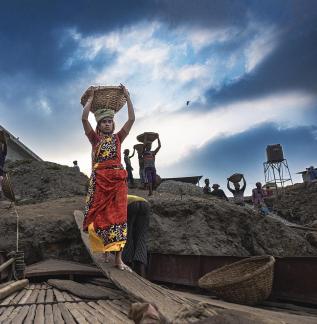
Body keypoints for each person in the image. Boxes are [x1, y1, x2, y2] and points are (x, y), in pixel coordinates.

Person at [82, 84, 135, 271]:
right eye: (103, 121)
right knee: (102, 217)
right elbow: (84, 119)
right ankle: (105, 249)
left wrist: (127, 96)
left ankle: (118, 259)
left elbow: (131, 119)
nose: (107, 124)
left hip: (118, 181)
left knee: (119, 217)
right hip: (101, 181)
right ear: (99, 125)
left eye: (109, 121)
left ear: (113, 124)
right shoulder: (95, 140)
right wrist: (90, 99)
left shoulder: (119, 138)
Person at [122, 195, 150, 277]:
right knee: (141, 238)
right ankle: (142, 274)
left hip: (130, 206)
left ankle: (127, 264)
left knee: (127, 236)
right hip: (145, 204)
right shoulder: (123, 195)